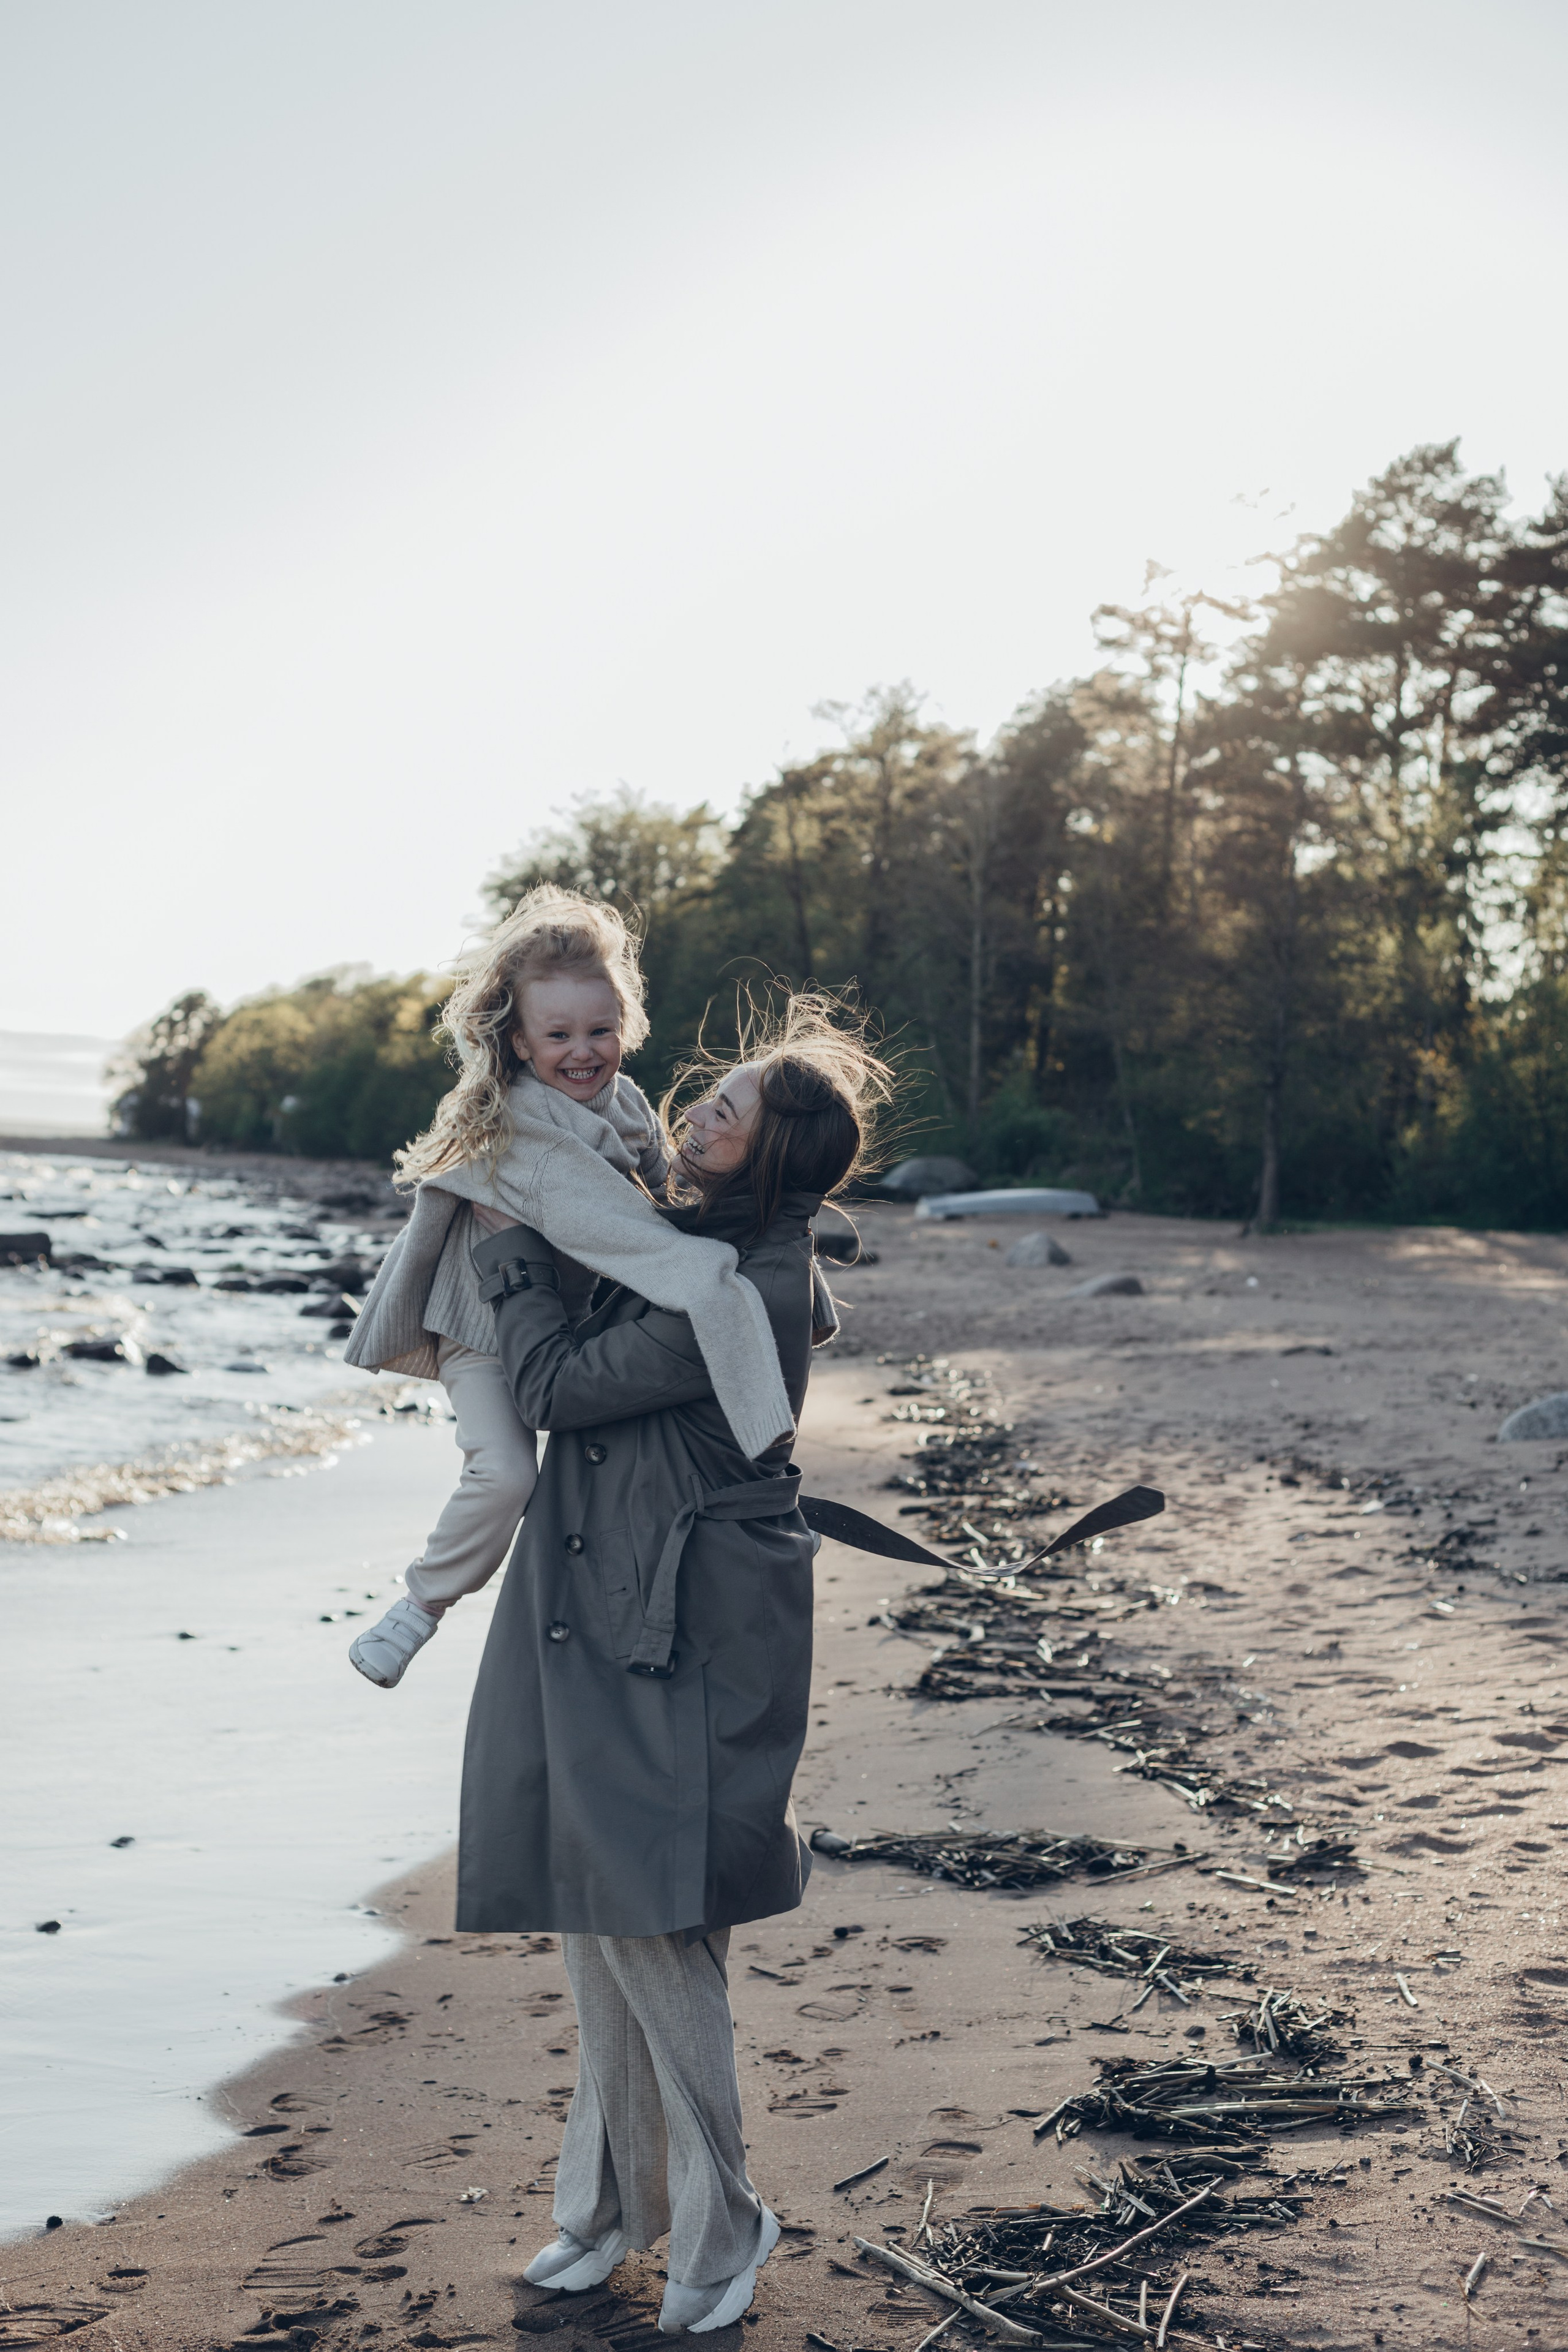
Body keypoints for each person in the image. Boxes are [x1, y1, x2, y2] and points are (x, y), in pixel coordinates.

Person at [458, 998, 891, 2334]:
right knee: (601, 1906)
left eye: (728, 1107)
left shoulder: (742, 1286)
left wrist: (512, 1238)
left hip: (681, 1620)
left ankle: (723, 2219)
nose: (698, 1108)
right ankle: (605, 2209)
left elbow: (554, 1386)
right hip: (612, 1591)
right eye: (710, 1094)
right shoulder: (695, 1241)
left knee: (652, 1916)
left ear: (771, 1154)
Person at [342, 886, 797, 1688]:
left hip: (566, 1319)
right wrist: (714, 1275)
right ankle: (419, 1607)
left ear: (624, 1025)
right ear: (520, 1043)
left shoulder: (625, 1104)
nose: (583, 1052)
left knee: (594, 1462)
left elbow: (662, 1195)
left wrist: (757, 1243)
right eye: (558, 1036)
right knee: (506, 1474)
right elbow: (628, 1229)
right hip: (481, 1329)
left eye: (600, 1030)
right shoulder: (522, 1127)